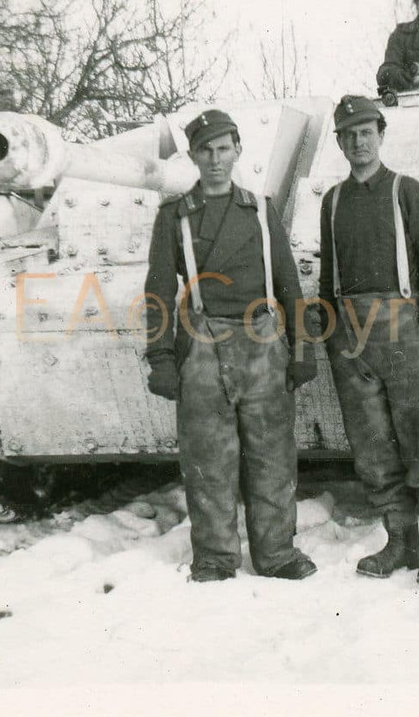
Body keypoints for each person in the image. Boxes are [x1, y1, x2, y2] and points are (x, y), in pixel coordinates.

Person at [144, 109, 318, 583]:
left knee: (272, 458)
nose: (216, 159)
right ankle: (217, 558)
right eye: (206, 150)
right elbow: (158, 291)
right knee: (208, 461)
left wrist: (302, 351)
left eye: (224, 149)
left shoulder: (261, 211)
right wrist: (160, 358)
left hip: (262, 343)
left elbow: (288, 286)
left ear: (238, 150)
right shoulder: (174, 217)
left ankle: (278, 553)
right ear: (194, 156)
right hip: (201, 348)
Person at [319, 95, 419, 585]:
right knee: (374, 448)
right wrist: (334, 339)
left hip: (406, 330)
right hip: (353, 339)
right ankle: (401, 544)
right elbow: (328, 280)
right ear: (339, 142)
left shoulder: (407, 191)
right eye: (349, 134)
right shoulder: (333, 201)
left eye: (366, 131)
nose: (359, 141)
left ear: (380, 135)